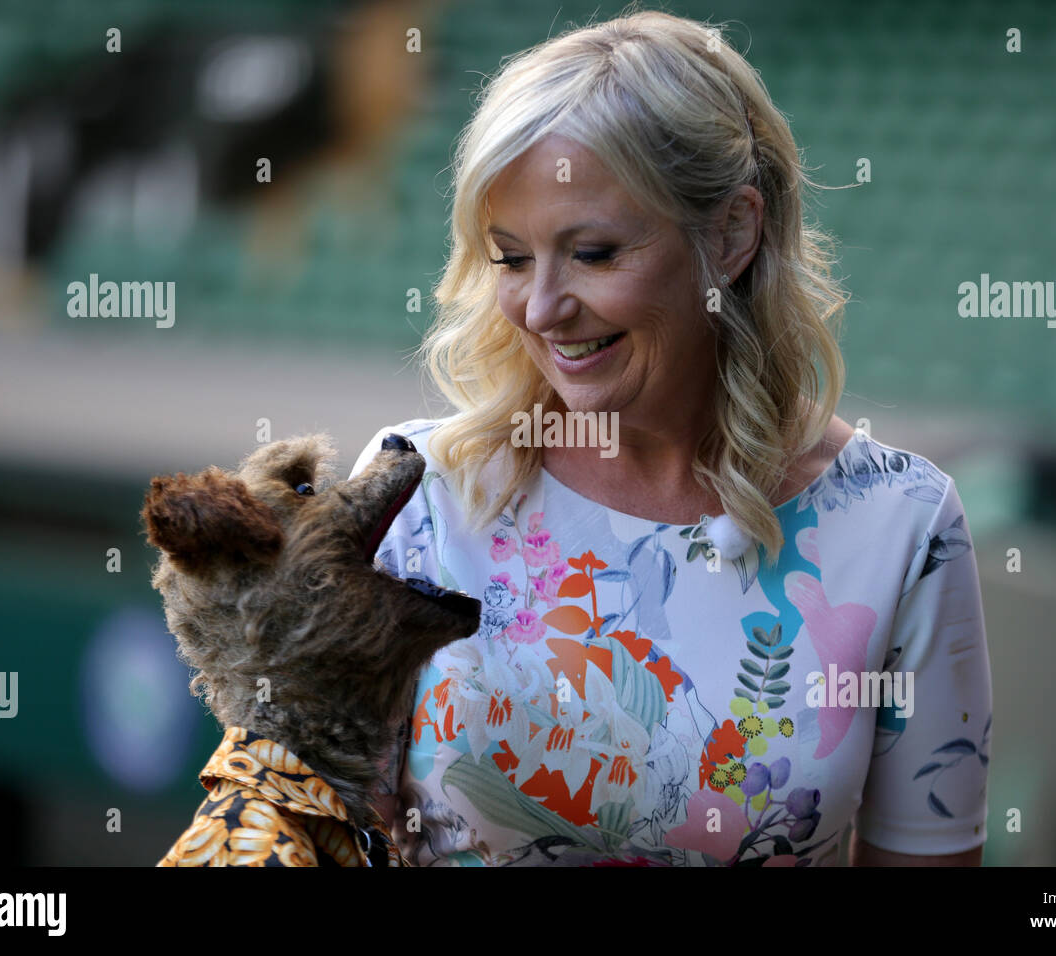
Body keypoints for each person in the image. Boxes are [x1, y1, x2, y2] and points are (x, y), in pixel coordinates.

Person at [349, 8, 991, 866]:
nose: (541, 308)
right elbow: (305, 821)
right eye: (509, 258)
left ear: (730, 233)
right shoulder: (413, 495)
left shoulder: (903, 524)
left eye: (595, 253)